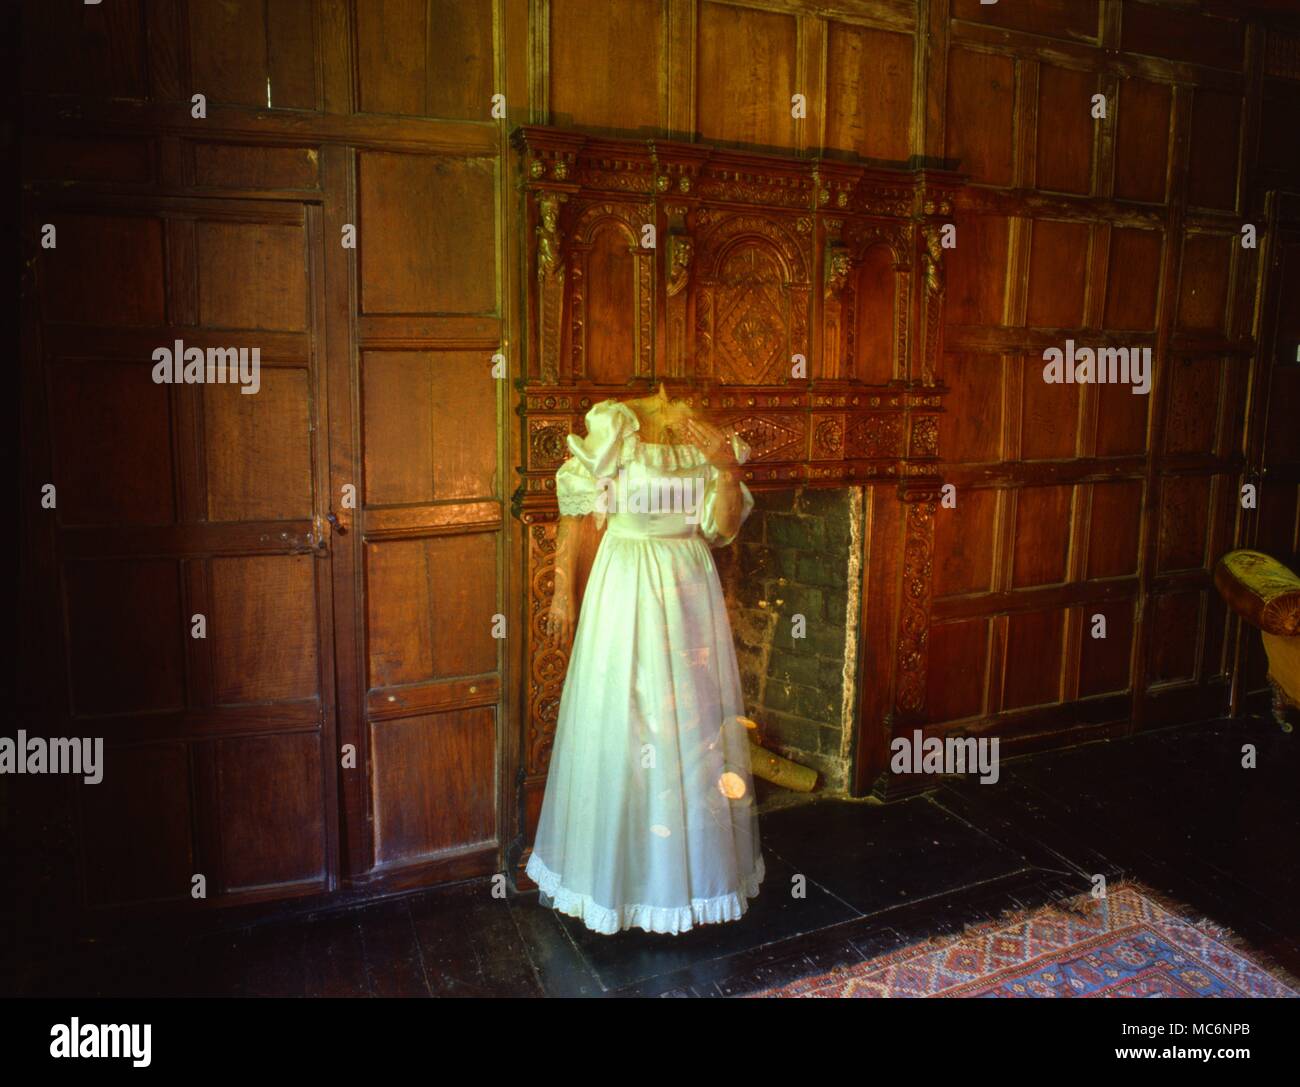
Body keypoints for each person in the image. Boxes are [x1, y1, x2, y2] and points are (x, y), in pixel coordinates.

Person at [527, 383, 764, 935]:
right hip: (625, 580)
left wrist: (726, 471)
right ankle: (613, 881)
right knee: (623, 720)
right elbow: (577, 509)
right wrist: (563, 589)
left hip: (688, 583)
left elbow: (722, 529)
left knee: (691, 726)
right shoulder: (617, 425)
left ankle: (686, 883)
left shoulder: (709, 435)